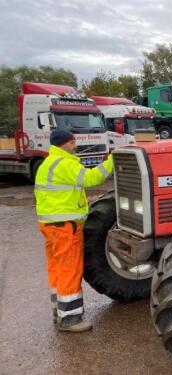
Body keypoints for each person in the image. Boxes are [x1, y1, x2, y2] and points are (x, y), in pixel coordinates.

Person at [35, 130, 114, 332]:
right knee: (70, 269)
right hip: (65, 226)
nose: (75, 146)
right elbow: (91, 178)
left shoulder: (48, 163)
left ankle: (59, 309)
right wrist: (113, 160)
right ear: (66, 144)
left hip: (50, 225)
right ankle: (70, 319)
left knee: (57, 267)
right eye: (73, 143)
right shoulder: (65, 163)